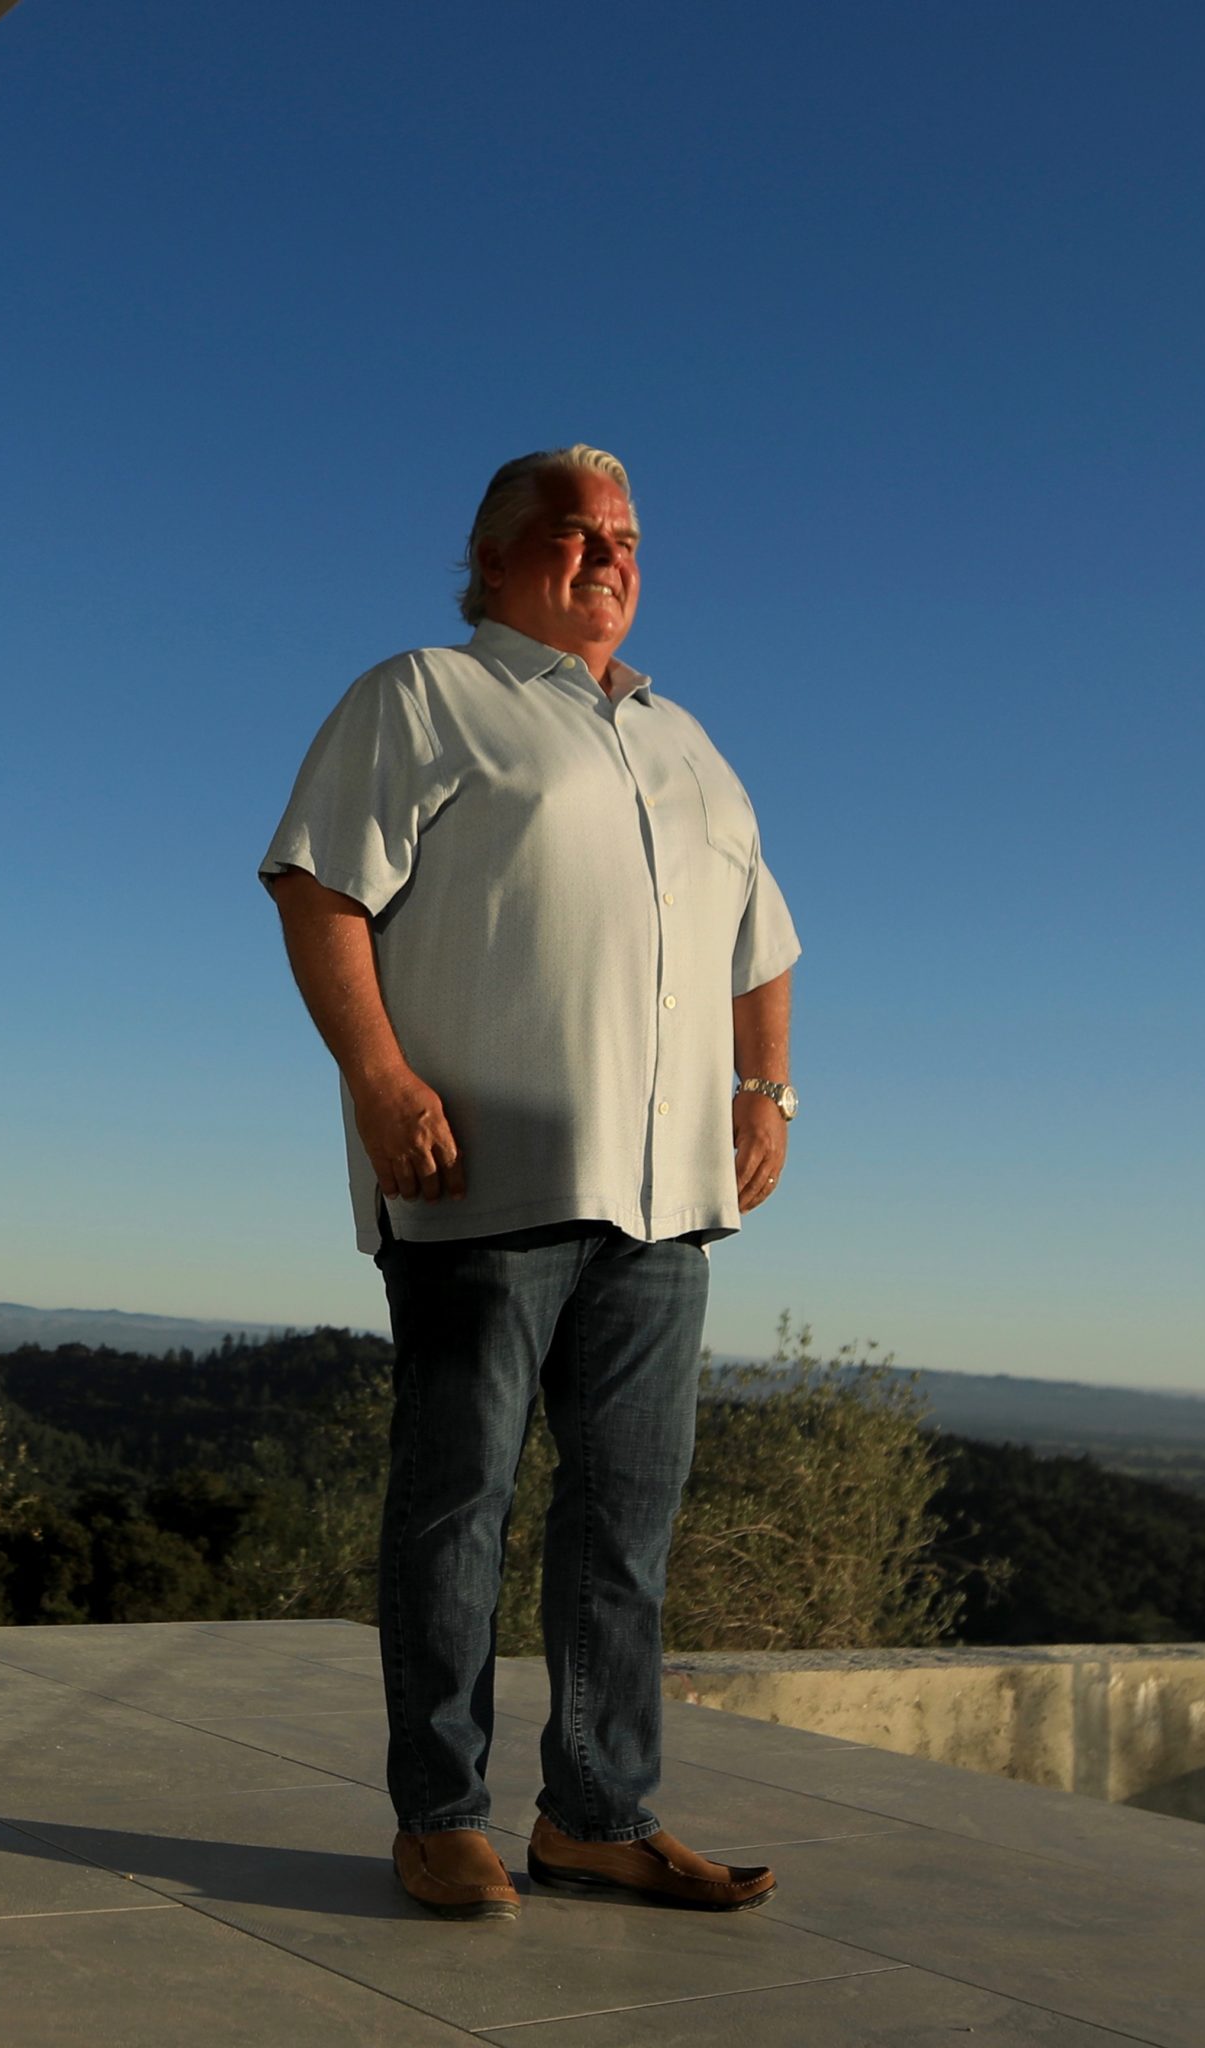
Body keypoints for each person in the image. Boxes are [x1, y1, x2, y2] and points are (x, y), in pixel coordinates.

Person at [259, 444, 800, 1922]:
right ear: (495, 558)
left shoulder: (686, 742)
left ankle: (596, 1815)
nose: (607, 554)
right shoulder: (427, 697)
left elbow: (767, 940)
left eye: (625, 534)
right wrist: (378, 1077)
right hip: (486, 1177)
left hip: (668, 1200)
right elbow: (318, 886)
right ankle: (439, 1813)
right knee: (457, 1503)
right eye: (572, 533)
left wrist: (768, 1091)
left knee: (627, 1518)